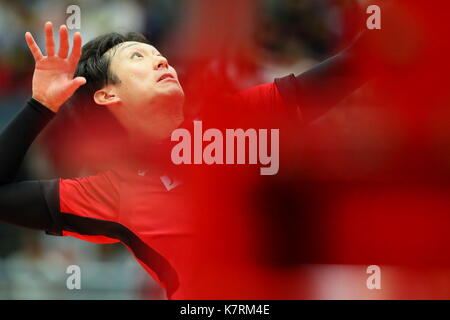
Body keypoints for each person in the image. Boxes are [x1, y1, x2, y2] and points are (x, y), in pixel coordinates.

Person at [0, 21, 370, 299]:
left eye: (158, 54)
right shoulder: (110, 193)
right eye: (137, 57)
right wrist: (41, 106)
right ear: (107, 95)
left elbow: (350, 68)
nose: (160, 59)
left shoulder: (231, 120)